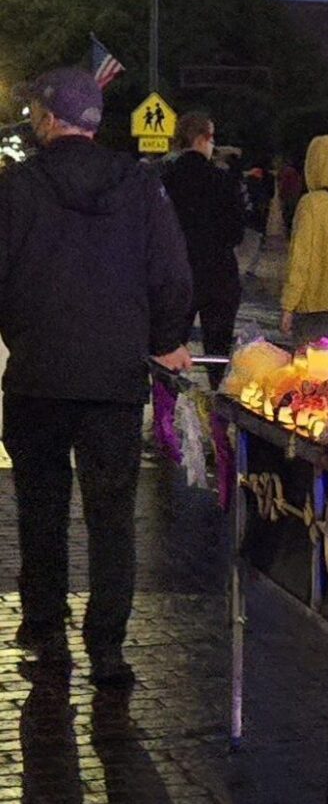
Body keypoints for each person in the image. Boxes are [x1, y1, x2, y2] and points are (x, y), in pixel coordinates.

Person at [0, 67, 192, 686]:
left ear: (49, 119)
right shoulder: (139, 186)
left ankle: (47, 634)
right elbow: (171, 275)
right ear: (95, 123)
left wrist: (21, 334)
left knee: (41, 510)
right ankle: (107, 647)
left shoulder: (16, 187)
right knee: (111, 517)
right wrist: (165, 342)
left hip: (37, 377)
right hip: (112, 380)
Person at [162, 111, 244, 387]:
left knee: (168, 351)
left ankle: (165, 418)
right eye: (211, 138)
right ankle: (217, 417)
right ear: (201, 139)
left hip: (177, 276)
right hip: (218, 276)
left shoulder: (165, 179)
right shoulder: (222, 180)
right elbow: (236, 233)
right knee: (218, 353)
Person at [280, 134, 328, 346]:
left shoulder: (311, 204)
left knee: (310, 373)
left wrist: (288, 306)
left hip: (315, 305)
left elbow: (300, 259)